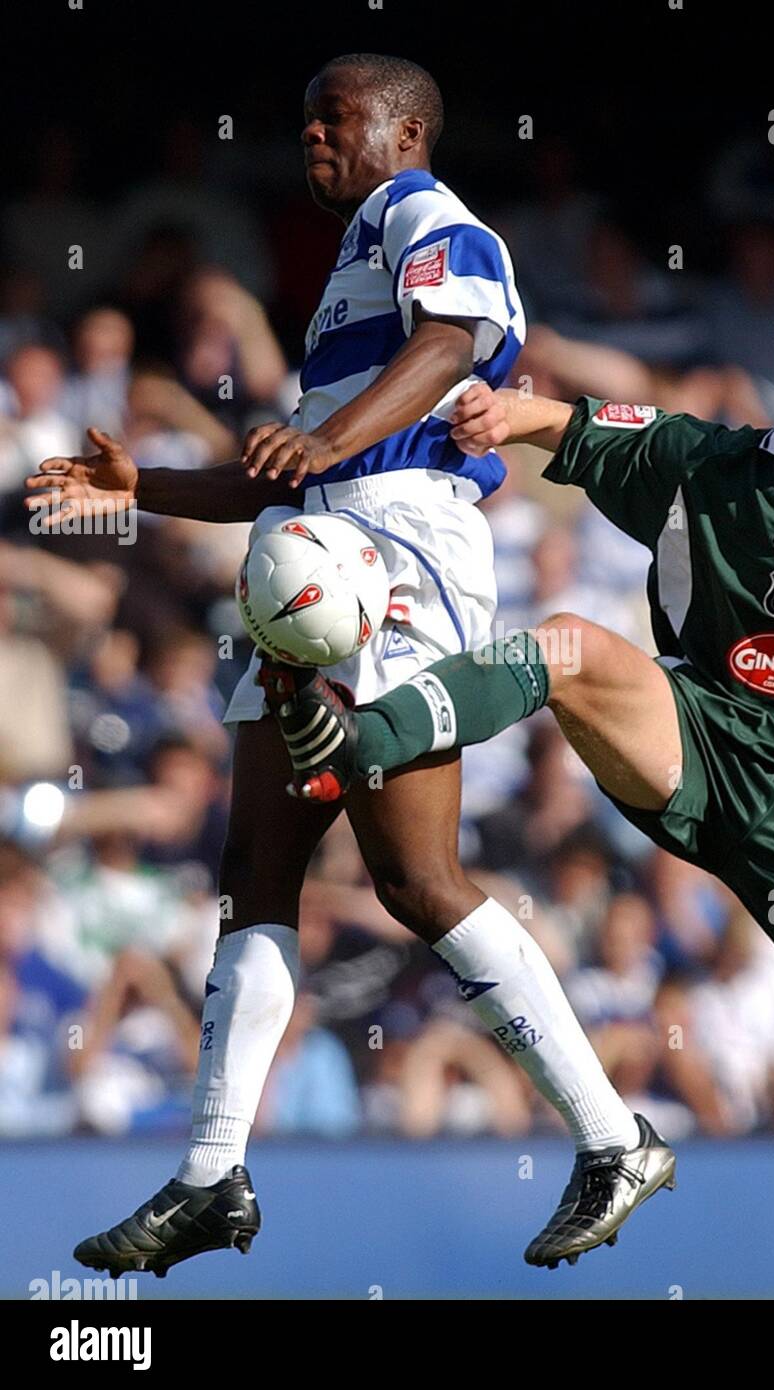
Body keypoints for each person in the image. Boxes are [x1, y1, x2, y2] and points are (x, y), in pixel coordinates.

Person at [274, 274, 774, 1300]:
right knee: (571, 646)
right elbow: (590, 428)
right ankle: (353, 740)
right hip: (690, 747)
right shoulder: (715, 464)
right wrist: (510, 413)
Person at [28, 53, 672, 1279]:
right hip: (323, 553)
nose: (313, 137)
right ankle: (214, 1172)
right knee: (255, 861)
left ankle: (611, 1136)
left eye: (335, 117)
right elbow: (289, 465)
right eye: (306, 121)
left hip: (396, 548)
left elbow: (456, 339)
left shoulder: (427, 215)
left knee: (418, 878)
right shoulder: (347, 273)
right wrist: (138, 489)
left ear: (405, 127)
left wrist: (324, 435)